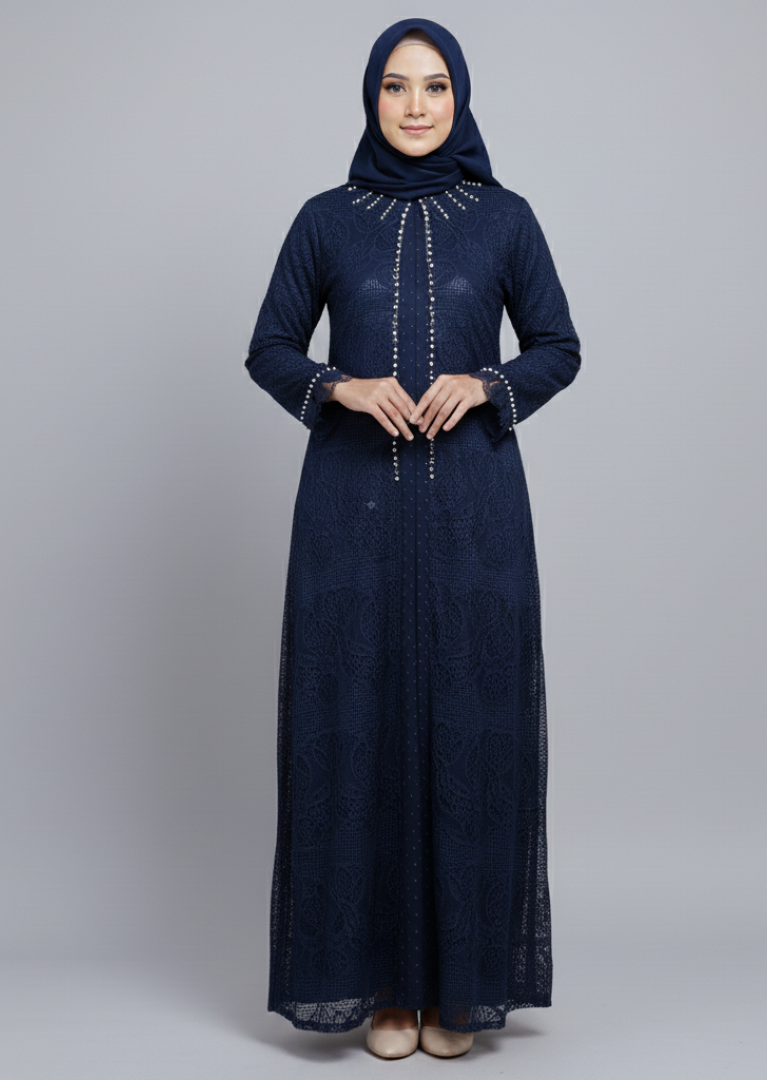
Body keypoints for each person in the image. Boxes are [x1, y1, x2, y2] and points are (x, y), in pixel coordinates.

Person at [245, 17, 580, 1060]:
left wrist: (487, 385)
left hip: (476, 517)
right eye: (397, 86)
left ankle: (458, 989)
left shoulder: (507, 220)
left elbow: (560, 346)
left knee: (470, 725)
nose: (417, 105)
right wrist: (338, 387)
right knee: (360, 725)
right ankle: (386, 988)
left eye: (435, 86)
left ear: (460, 97)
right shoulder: (323, 221)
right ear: (372, 99)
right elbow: (268, 347)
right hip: (351, 517)